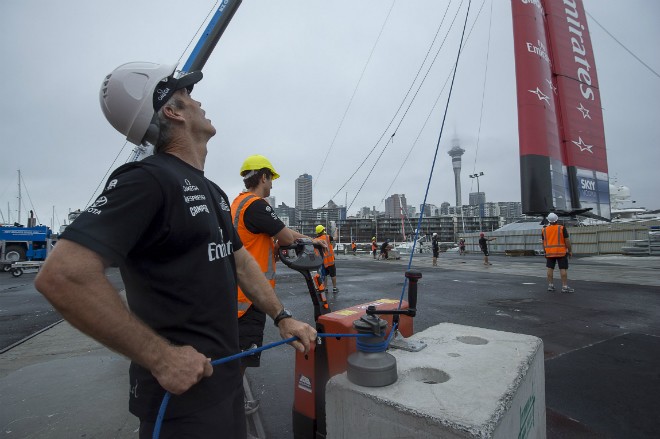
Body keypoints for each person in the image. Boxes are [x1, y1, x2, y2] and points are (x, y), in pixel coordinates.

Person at [34, 62, 316, 439]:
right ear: (173, 111)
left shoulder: (212, 191)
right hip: (181, 404)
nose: (199, 102)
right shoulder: (147, 180)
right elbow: (63, 274)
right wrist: (160, 357)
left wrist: (283, 317)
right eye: (189, 96)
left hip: (223, 384)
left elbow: (241, 263)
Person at [231, 155, 325, 383]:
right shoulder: (257, 205)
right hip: (250, 296)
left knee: (233, 355)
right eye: (271, 178)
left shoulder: (238, 203)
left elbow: (272, 234)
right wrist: (312, 241)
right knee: (241, 359)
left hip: (234, 290)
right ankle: (231, 407)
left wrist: (306, 239)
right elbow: (284, 236)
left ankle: (230, 400)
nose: (272, 184)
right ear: (263, 176)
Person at [542, 212, 574, 293]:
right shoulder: (561, 228)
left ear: (548, 220)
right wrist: (570, 250)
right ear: (557, 219)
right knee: (563, 269)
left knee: (550, 268)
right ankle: (564, 286)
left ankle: (550, 285)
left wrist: (545, 251)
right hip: (561, 252)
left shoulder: (544, 230)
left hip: (549, 252)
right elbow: (567, 240)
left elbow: (543, 242)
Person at [316, 225, 338, 293]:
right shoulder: (327, 237)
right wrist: (336, 230)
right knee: (333, 274)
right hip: (330, 260)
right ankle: (334, 288)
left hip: (323, 261)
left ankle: (325, 288)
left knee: (325, 275)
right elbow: (335, 238)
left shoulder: (316, 240)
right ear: (323, 231)